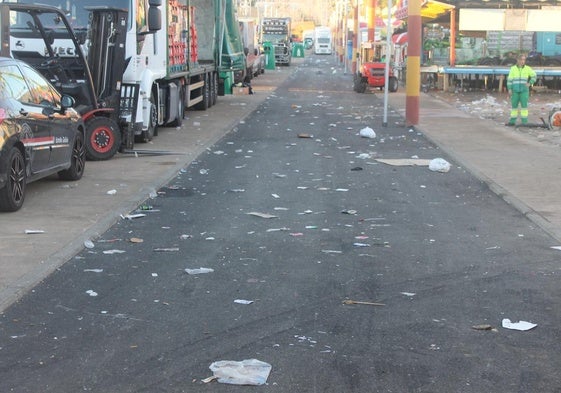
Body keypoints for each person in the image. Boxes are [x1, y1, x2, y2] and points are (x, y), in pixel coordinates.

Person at [506, 54, 537, 125]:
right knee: (514, 107)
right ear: (518, 60)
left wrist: (530, 83)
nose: (523, 61)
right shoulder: (513, 68)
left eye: (524, 60)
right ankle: (512, 121)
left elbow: (534, 76)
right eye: (521, 60)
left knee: (524, 107)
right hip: (515, 91)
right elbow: (509, 80)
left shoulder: (528, 68)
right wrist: (509, 89)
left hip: (524, 91)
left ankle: (524, 122)